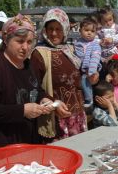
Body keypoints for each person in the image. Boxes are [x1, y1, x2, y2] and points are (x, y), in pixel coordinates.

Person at [0, 14, 54, 156]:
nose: (25, 47)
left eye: (29, 42)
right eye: (20, 41)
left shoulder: (27, 65)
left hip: (24, 141)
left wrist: (44, 98)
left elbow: (35, 89)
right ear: (6, 39)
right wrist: (22, 111)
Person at [31, 8, 87, 140]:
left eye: (58, 29)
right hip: (57, 118)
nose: (54, 33)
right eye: (50, 29)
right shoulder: (39, 54)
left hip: (77, 115)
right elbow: (34, 88)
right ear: (45, 30)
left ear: (65, 29)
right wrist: (53, 105)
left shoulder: (71, 50)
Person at [74, 17, 102, 108]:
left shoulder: (95, 44)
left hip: (90, 68)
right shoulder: (77, 43)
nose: (89, 33)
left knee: (85, 80)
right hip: (79, 67)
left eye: (92, 31)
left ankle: (89, 99)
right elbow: (75, 54)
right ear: (80, 31)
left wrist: (92, 70)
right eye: (86, 30)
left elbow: (95, 57)